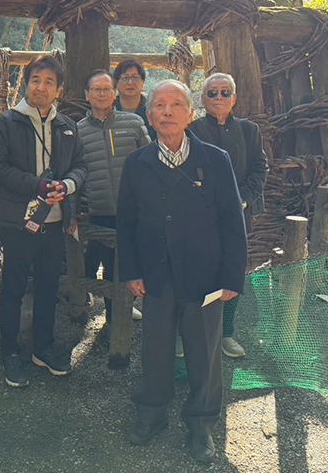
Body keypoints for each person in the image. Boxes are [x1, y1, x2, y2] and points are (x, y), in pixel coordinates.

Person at [117, 80, 246, 463]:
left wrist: (231, 278)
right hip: (155, 275)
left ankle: (201, 426)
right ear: (149, 115)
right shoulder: (137, 162)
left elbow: (232, 223)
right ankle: (151, 415)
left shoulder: (215, 160)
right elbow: (127, 223)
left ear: (191, 114)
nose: (168, 112)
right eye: (160, 105)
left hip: (205, 276)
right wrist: (131, 271)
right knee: (155, 349)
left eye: (176, 105)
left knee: (204, 353)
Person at [0, 55, 87, 388]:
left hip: (55, 222)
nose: (41, 87)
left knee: (47, 286)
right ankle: (10, 352)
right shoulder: (5, 123)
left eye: (49, 82)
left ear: (59, 90)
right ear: (26, 84)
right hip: (18, 223)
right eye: (35, 80)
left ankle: (43, 347)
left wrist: (66, 185)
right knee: (13, 287)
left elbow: (80, 166)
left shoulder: (67, 126)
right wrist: (37, 186)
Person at [189, 73, 268, 358]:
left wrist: (243, 200)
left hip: (238, 214)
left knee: (233, 271)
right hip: (200, 216)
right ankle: (193, 332)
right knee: (197, 269)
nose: (219, 97)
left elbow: (260, 168)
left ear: (234, 98)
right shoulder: (192, 130)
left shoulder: (249, 130)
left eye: (225, 92)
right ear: (203, 99)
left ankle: (226, 333)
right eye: (212, 93)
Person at [76, 69, 149, 323]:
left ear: (114, 93)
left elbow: (150, 161)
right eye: (96, 89)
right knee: (107, 264)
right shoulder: (78, 131)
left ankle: (124, 308)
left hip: (134, 209)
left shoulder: (133, 123)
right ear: (87, 94)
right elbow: (75, 172)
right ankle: (112, 317)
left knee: (133, 262)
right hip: (100, 210)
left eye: (107, 89)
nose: (102, 94)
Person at [113, 58, 156, 141]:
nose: (130, 82)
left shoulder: (153, 110)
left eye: (135, 77)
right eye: (125, 78)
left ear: (143, 82)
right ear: (116, 83)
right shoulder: (108, 110)